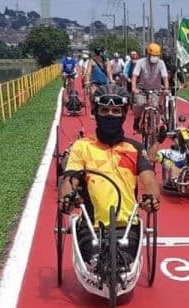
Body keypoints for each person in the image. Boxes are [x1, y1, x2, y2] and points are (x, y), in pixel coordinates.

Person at [60, 84, 161, 263]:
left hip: (127, 225)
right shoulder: (82, 146)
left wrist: (151, 198)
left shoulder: (134, 148)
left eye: (115, 111)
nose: (110, 115)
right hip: (91, 226)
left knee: (123, 263)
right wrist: (67, 197)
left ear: (123, 114)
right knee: (96, 263)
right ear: (96, 111)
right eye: (105, 110)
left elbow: (150, 179)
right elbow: (70, 179)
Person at [149, 115, 189, 194]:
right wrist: (158, 141)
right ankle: (179, 180)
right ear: (174, 139)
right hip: (175, 169)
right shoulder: (167, 152)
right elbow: (151, 157)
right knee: (174, 167)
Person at [131, 43, 169, 133]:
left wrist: (166, 88)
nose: (155, 57)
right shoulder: (140, 62)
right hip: (142, 89)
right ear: (148, 54)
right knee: (140, 104)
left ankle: (153, 126)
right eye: (153, 55)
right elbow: (135, 75)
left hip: (155, 90)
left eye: (157, 55)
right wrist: (133, 88)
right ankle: (137, 118)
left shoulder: (161, 63)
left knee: (155, 106)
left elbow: (165, 77)